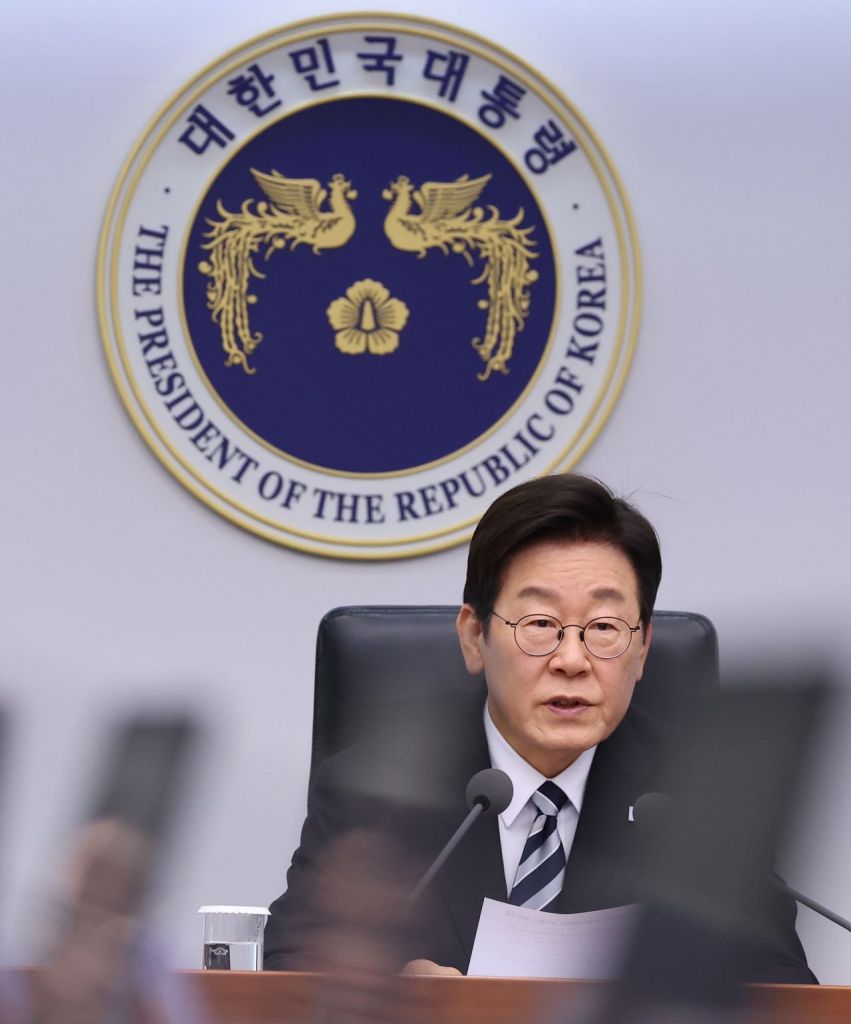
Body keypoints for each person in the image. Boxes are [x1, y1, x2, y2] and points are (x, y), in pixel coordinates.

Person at [264, 473, 815, 984]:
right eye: (540, 624)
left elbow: (784, 990)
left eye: (604, 627)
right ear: (474, 637)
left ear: (643, 646)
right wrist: (394, 997)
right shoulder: (374, 791)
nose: (571, 660)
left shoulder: (700, 797)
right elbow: (290, 970)